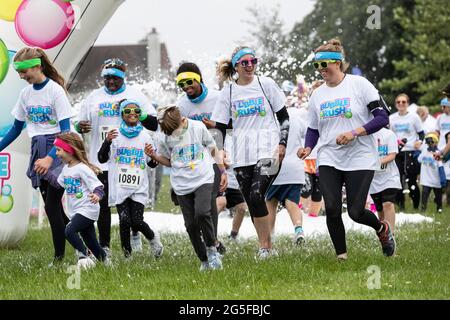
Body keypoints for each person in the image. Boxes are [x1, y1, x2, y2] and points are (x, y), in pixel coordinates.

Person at [298, 38, 396, 259]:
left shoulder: (359, 85)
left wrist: (354, 133)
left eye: (324, 65)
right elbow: (313, 128)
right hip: (329, 156)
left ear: (338, 62)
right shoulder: (317, 95)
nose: (320, 70)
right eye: (316, 66)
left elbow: (382, 117)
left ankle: (383, 229)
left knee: (355, 211)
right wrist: (307, 147)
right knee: (331, 207)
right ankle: (341, 257)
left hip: (360, 155)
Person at [212, 46, 290, 259]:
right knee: (251, 200)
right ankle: (266, 245)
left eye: (253, 61)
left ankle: (265, 248)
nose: (249, 66)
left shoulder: (266, 85)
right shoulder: (228, 91)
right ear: (236, 66)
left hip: (269, 149)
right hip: (241, 154)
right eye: (244, 63)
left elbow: (284, 117)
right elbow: (218, 127)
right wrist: (220, 152)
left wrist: (282, 144)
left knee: (256, 194)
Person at [75, 58, 157, 254]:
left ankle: (135, 234)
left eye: (115, 78)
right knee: (102, 205)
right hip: (101, 160)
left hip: (126, 162)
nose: (111, 82)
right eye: (107, 78)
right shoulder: (94, 97)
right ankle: (105, 247)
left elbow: (153, 124)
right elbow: (79, 123)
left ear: (123, 77)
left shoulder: (135, 95)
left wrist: (137, 112)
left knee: (129, 208)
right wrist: (80, 127)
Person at [0, 47, 73, 264]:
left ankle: (59, 258)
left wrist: (51, 157)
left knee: (51, 207)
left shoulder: (55, 91)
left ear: (37, 66)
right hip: (37, 148)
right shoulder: (26, 94)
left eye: (24, 72)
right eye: (19, 73)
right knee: (56, 210)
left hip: (58, 148)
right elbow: (15, 128)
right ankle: (87, 244)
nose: (22, 77)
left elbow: (66, 131)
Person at [147, 106, 227, 271]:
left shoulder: (197, 127)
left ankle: (212, 250)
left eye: (173, 130)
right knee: (190, 225)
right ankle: (204, 260)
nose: (172, 134)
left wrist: (222, 170)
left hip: (203, 178)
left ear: (182, 120)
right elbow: (170, 161)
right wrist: (154, 156)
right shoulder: (164, 136)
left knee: (203, 213)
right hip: (181, 184)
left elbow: (213, 149)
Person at [97, 99, 163, 258]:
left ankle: (153, 239)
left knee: (137, 221)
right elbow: (101, 158)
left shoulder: (146, 136)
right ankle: (128, 255)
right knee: (125, 221)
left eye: (136, 111)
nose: (132, 114)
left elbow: (153, 164)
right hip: (120, 186)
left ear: (140, 115)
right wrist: (107, 142)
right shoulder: (114, 135)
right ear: (122, 115)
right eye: (128, 111)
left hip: (139, 186)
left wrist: (152, 156)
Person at [175, 62, 226, 255]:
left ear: (199, 79)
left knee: (209, 201)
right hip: (193, 159)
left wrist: (214, 125)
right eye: (182, 84)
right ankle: (213, 241)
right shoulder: (181, 104)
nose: (187, 87)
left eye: (190, 82)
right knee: (198, 208)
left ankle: (211, 244)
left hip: (215, 155)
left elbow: (230, 124)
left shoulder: (217, 98)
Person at [44, 132, 109, 269]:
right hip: (77, 210)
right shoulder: (66, 169)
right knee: (91, 241)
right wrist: (45, 172)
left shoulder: (82, 168)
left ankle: (85, 256)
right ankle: (107, 264)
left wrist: (97, 195)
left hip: (88, 209)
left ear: (69, 150)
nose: (56, 153)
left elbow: (97, 185)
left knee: (69, 231)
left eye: (58, 150)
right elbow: (58, 183)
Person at [266, 105, 306, 244]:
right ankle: (298, 229)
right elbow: (309, 133)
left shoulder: (267, 118)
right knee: (292, 202)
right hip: (294, 167)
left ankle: (269, 238)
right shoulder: (296, 116)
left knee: (270, 203)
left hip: (272, 166)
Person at [389, 93, 424, 210]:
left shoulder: (414, 117)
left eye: (403, 102)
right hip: (397, 152)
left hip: (410, 152)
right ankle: (401, 207)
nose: (401, 104)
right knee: (397, 180)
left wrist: (420, 141)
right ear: (396, 104)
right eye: (398, 102)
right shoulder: (392, 118)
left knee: (412, 181)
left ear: (407, 103)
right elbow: (390, 134)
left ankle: (415, 207)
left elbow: (421, 133)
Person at [369, 127, 402, 233]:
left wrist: (377, 163)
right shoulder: (366, 135)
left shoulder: (389, 134)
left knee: (387, 203)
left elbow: (392, 155)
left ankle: (391, 235)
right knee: (379, 209)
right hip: (374, 179)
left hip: (389, 176)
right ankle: (383, 234)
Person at [216, 132, 248, 241]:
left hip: (233, 181)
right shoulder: (224, 134)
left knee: (242, 207)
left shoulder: (244, 137)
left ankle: (233, 236)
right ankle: (206, 231)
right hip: (221, 177)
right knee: (220, 203)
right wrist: (221, 159)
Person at [418, 132, 446, 213]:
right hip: (426, 179)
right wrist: (425, 151)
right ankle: (423, 210)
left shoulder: (438, 153)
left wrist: (443, 180)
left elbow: (441, 167)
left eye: (432, 142)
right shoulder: (424, 151)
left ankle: (439, 209)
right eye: (428, 143)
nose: (430, 144)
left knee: (438, 197)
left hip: (436, 180)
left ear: (436, 142)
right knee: (424, 195)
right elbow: (419, 160)